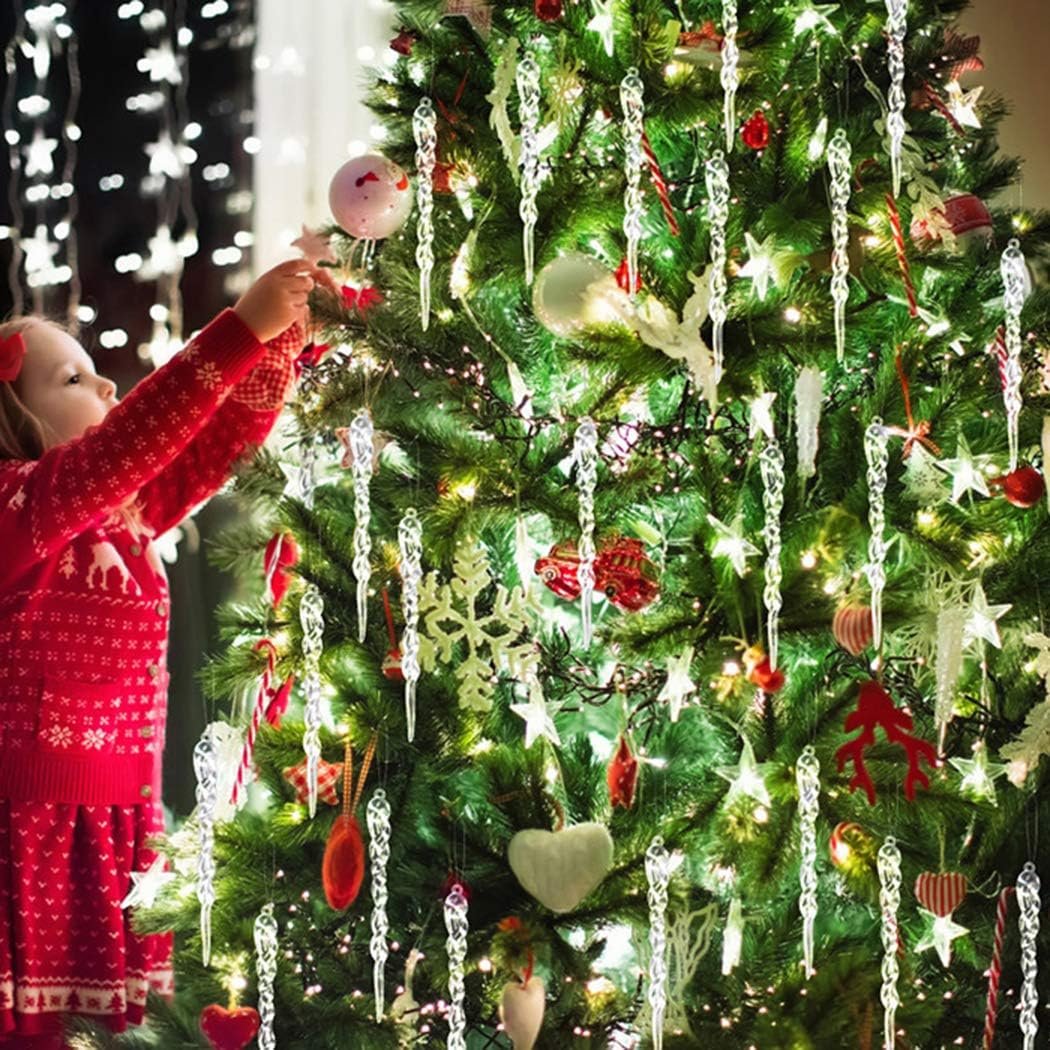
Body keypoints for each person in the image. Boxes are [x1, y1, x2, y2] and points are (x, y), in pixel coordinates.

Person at [0, 259, 319, 1048]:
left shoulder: (129, 510)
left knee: (112, 1033)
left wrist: (284, 343)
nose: (107, 389)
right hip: (32, 830)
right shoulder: (21, 507)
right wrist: (240, 326)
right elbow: (132, 440)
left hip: (121, 822)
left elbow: (219, 437)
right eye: (74, 378)